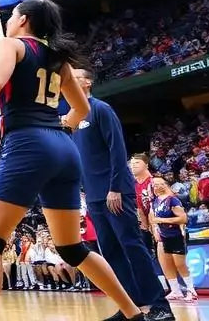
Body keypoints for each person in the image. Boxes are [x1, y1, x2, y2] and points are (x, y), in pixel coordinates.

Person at [0, 0, 147, 321]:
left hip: (27, 143)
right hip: (64, 150)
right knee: (72, 248)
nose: (9, 20)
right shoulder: (60, 60)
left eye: (12, 15)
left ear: (23, 20)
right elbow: (82, 111)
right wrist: (57, 127)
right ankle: (133, 313)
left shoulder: (10, 45)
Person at [70, 67, 175, 321]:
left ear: (86, 82)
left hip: (114, 192)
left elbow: (118, 150)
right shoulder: (72, 117)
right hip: (94, 197)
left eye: (73, 77)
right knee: (111, 252)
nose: (67, 81)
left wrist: (115, 187)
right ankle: (130, 307)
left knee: (132, 246)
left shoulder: (101, 109)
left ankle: (161, 306)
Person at [148, 177, 196, 303]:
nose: (156, 186)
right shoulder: (155, 201)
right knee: (166, 264)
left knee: (180, 264)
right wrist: (156, 229)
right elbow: (153, 219)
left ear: (165, 185)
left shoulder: (173, 200)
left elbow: (183, 218)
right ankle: (175, 291)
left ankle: (191, 290)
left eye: (159, 184)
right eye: (154, 184)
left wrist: (162, 221)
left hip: (176, 235)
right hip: (163, 236)